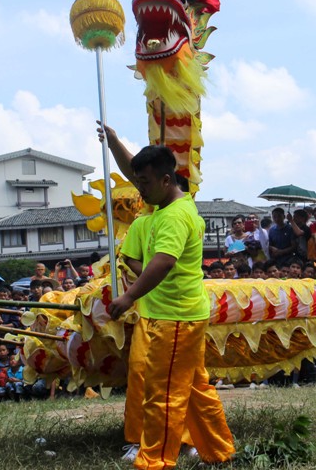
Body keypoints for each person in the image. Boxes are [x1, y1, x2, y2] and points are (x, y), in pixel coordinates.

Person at [108, 145, 235, 469]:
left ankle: (155, 461)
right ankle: (218, 450)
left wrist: (128, 297)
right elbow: (136, 172)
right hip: (176, 314)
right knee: (194, 388)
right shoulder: (165, 210)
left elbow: (163, 262)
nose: (140, 190)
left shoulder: (176, 216)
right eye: (138, 182)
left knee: (162, 394)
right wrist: (113, 142)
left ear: (166, 180)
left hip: (176, 317)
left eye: (145, 183)